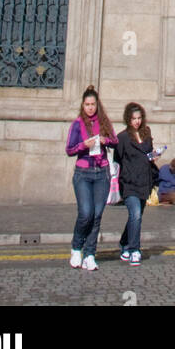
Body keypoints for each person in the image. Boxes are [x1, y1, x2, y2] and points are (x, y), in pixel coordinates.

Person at [66, 84, 118, 270]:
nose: (90, 107)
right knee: (86, 213)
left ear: (97, 105)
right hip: (83, 174)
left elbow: (115, 140)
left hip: (101, 173)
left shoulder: (104, 122)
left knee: (97, 215)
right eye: (87, 104)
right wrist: (83, 145)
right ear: (82, 105)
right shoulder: (77, 124)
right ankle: (76, 247)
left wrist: (106, 140)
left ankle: (90, 254)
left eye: (93, 104)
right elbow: (69, 149)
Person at [113, 103, 158, 265]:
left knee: (135, 217)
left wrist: (153, 156)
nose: (137, 122)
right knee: (136, 215)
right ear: (128, 119)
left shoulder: (146, 133)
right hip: (129, 182)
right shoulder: (122, 137)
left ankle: (124, 243)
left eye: (139, 118)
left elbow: (148, 154)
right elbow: (117, 161)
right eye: (133, 119)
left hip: (144, 181)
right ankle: (134, 250)